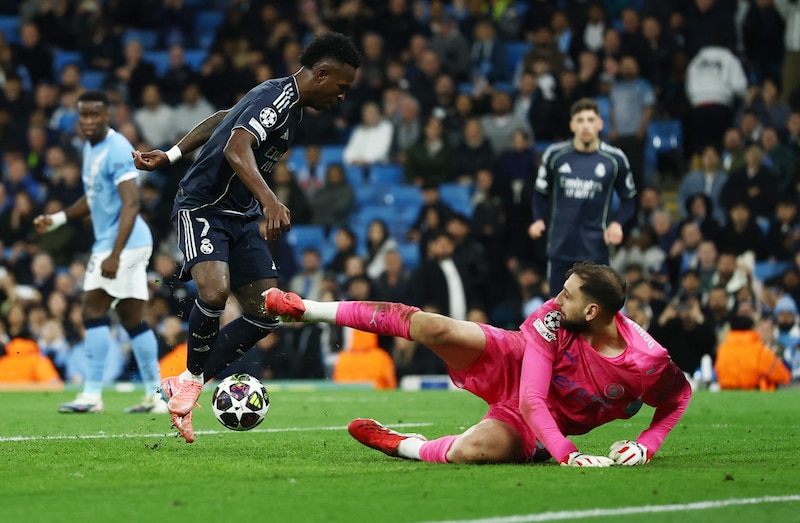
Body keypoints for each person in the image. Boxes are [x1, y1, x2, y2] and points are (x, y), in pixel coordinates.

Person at [132, 32, 362, 443]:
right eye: (341, 86)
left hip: (240, 216)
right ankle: (191, 381)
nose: (342, 96)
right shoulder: (277, 97)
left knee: (264, 311)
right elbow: (236, 147)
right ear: (321, 74)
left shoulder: (290, 107)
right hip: (202, 206)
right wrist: (271, 200)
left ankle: (187, 381)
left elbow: (225, 117)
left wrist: (170, 154)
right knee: (215, 292)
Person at [264, 261, 692, 467]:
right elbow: (531, 396)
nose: (555, 300)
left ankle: (402, 444)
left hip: (540, 421)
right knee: (434, 327)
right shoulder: (551, 318)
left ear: (593, 312)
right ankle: (308, 309)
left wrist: (646, 444)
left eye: (567, 295)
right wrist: (569, 455)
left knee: (470, 451)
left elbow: (678, 397)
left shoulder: (647, 360)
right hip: (517, 361)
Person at [33, 90, 165, 414]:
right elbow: (93, 198)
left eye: (95, 114)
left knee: (92, 309)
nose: (89, 121)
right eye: (84, 115)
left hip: (123, 242)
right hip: (124, 241)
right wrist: (58, 219)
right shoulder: (91, 148)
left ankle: (92, 395)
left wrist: (115, 254)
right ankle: (156, 396)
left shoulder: (118, 149)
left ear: (108, 115)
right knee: (131, 318)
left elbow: (132, 204)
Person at [528, 98, 637, 295]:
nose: (585, 125)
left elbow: (629, 198)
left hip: (596, 249)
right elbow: (540, 193)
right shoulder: (555, 155)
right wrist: (538, 219)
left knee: (597, 306)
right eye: (580, 120)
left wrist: (617, 224)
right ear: (572, 125)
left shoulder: (615, 159)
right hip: (560, 247)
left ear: (600, 124)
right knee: (558, 306)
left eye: (590, 120)